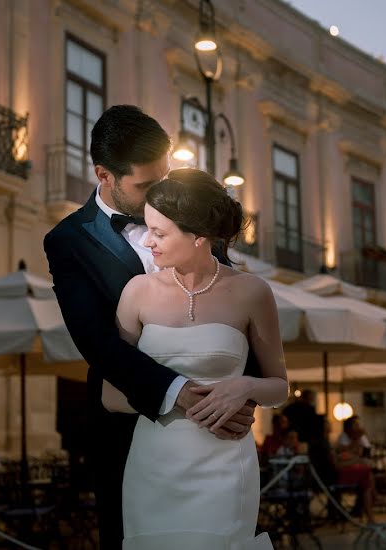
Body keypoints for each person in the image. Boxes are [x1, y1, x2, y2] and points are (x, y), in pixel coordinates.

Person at [43, 106, 259, 548]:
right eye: (144, 186)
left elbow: (234, 305)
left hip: (218, 436)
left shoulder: (193, 216)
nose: (157, 195)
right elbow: (97, 343)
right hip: (128, 430)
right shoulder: (68, 242)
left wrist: (243, 391)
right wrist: (179, 393)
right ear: (104, 175)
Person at [102, 168, 288, 547]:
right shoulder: (136, 293)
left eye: (159, 232)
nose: (147, 241)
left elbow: (279, 387)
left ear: (199, 236)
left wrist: (246, 387)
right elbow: (112, 395)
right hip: (153, 466)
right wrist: (183, 400)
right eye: (146, 228)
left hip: (224, 463)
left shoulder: (252, 292)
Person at [334, 415, 376, 523]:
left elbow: (364, 452)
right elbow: (345, 457)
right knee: (367, 478)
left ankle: (364, 509)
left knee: (367, 476)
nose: (359, 427)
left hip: (356, 469)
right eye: (356, 424)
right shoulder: (343, 439)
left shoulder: (360, 437)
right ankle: (369, 506)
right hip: (345, 472)